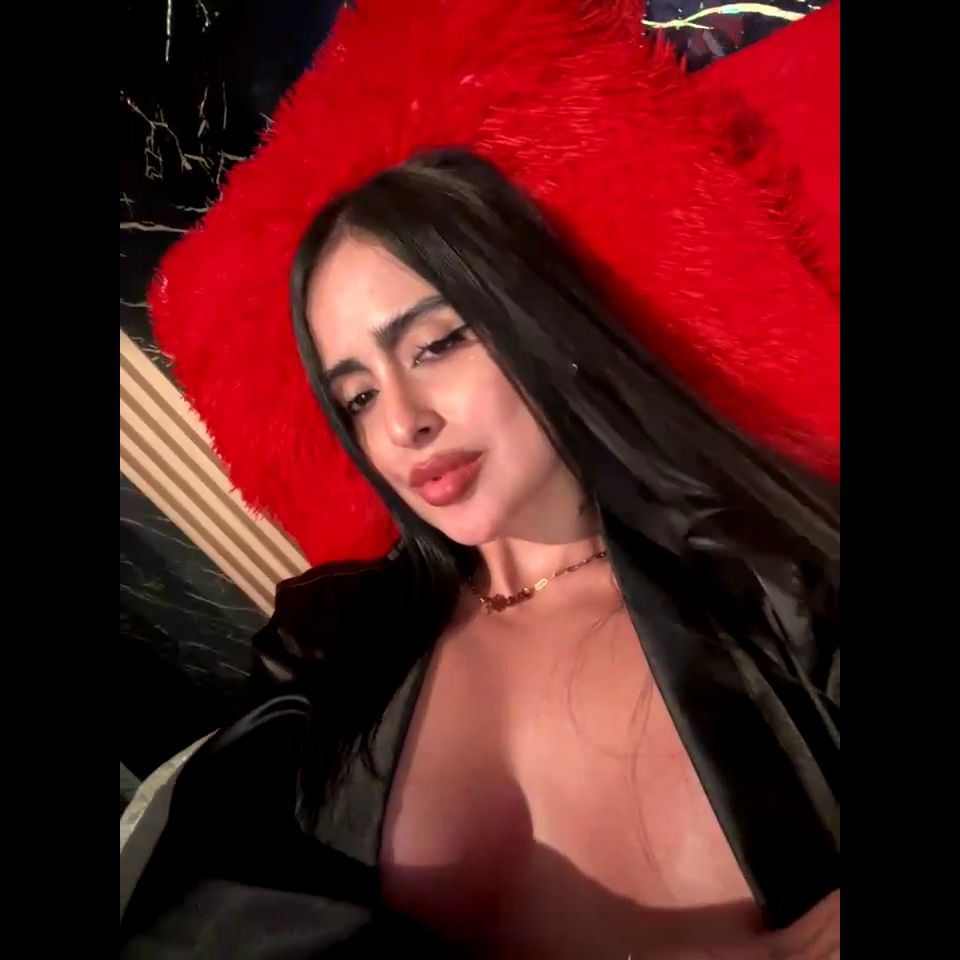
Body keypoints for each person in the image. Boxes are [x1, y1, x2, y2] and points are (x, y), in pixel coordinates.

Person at [120, 2, 839, 957]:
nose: (402, 423)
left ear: (533, 317)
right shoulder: (327, 648)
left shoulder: (780, 589)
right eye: (356, 396)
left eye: (437, 343)